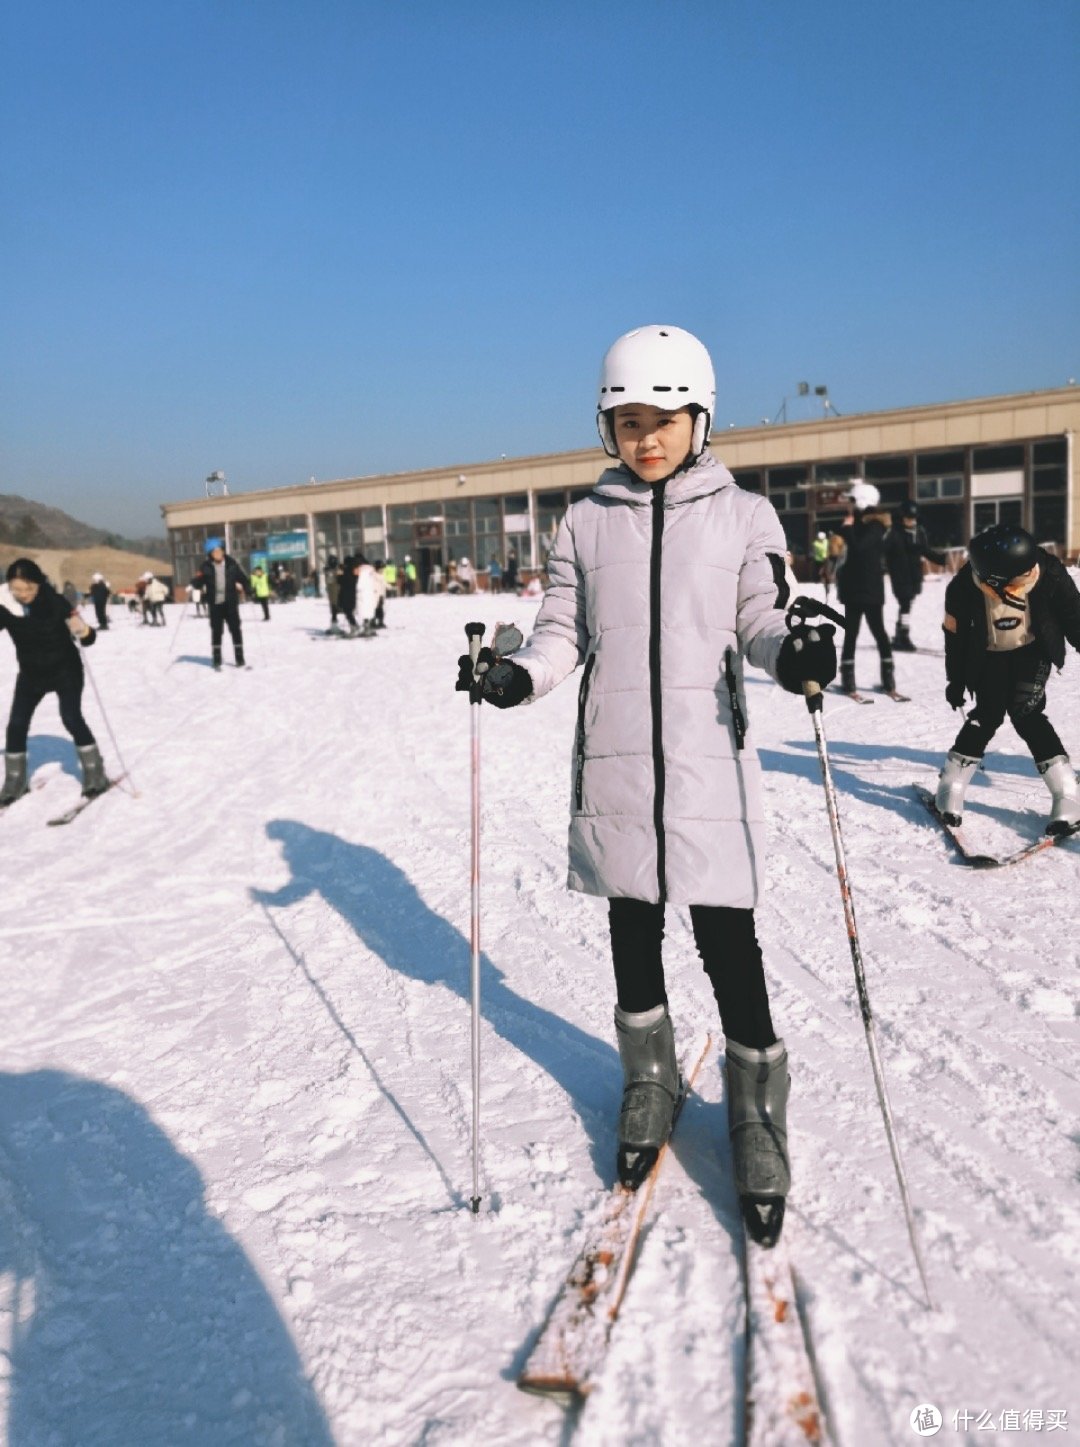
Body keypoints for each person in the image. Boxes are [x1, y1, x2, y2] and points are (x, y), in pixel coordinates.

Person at [454, 324, 836, 1247]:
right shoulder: (584, 522)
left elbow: (760, 621)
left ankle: (754, 1107)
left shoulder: (746, 518)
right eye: (627, 421)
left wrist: (798, 653)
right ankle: (650, 1079)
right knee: (633, 928)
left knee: (726, 936)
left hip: (708, 765)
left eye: (663, 419)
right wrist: (515, 678)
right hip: (618, 761)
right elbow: (560, 632)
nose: (646, 438)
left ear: (701, 420)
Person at [935, 523, 1080, 835]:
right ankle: (951, 784)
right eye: (1017, 578)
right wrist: (956, 680)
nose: (1026, 577)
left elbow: (1074, 616)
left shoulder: (1049, 573)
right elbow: (955, 638)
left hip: (1033, 650)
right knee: (987, 715)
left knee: (1026, 712)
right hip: (987, 655)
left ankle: (1066, 792)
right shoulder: (963, 587)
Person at [0, 559, 108, 804]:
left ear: (38, 584)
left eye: (29, 589)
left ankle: (95, 774)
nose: (23, 595)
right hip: (31, 674)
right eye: (17, 590)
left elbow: (89, 639)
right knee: (16, 725)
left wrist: (82, 629)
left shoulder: (55, 602)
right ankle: (14, 781)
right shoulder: (5, 606)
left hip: (65, 670)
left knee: (71, 717)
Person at [836, 480, 897, 699]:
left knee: (879, 633)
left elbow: (860, 547)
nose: (848, 505)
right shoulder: (860, 523)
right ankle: (848, 680)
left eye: (851, 500)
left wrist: (848, 528)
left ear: (861, 501)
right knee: (851, 634)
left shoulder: (876, 525)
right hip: (853, 589)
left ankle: (888, 680)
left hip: (870, 589)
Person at [883, 501, 947, 651]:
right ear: (902, 518)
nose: (911, 521)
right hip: (900, 576)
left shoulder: (919, 532)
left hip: (914, 576)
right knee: (905, 604)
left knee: (906, 605)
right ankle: (903, 637)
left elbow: (925, 550)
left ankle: (900, 635)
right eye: (908, 518)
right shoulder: (894, 533)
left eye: (913, 518)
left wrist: (942, 559)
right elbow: (883, 551)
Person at [188, 539, 250, 670]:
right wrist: (194, 583)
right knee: (216, 631)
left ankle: (239, 657)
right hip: (215, 604)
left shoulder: (232, 564)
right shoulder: (205, 567)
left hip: (231, 603)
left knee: (235, 629)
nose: (217, 553)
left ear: (223, 550)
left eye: (219, 550)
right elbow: (199, 581)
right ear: (210, 554)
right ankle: (216, 657)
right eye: (214, 552)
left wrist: (248, 587)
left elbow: (243, 578)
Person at [324, 556, 343, 631]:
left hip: (336, 592)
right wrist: (337, 574)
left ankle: (334, 624)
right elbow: (330, 581)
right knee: (334, 609)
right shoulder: (330, 571)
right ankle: (334, 626)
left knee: (336, 609)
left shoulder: (333, 571)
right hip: (333, 593)